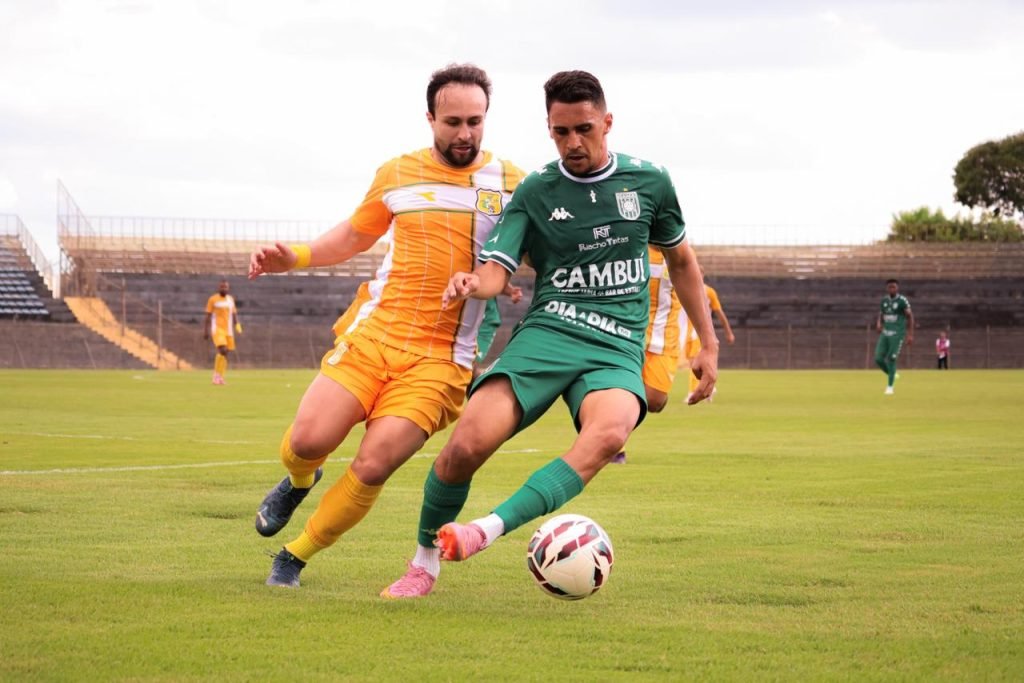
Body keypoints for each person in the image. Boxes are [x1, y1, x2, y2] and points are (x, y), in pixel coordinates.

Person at [381, 69, 718, 599]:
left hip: (615, 345)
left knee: (609, 434)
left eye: (584, 129)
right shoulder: (537, 190)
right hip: (549, 332)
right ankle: (423, 562)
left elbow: (682, 262)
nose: (573, 143)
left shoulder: (650, 182)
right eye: (561, 132)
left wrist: (709, 345)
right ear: (549, 129)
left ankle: (483, 531)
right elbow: (497, 270)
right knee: (465, 445)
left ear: (607, 122)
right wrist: (473, 282)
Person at [247, 63, 525, 588]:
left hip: (442, 358)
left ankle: (294, 556)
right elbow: (356, 234)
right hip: (376, 334)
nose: (465, 134)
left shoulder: (514, 184)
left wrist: (495, 281)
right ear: (430, 119)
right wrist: (296, 257)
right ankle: (300, 480)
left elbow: (524, 253)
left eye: (475, 121)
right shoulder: (397, 173)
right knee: (306, 440)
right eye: (453, 122)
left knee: (374, 463)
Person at [610, 245, 688, 465]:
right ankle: (612, 443)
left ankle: (606, 429)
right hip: (630, 332)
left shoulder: (680, 252)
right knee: (622, 392)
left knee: (654, 400)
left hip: (665, 337)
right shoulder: (634, 247)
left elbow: (692, 287)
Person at [683, 265, 735, 400]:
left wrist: (728, 332)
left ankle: (693, 391)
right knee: (692, 362)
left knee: (696, 360)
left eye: (699, 273)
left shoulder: (709, 292)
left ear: (702, 275)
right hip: (686, 330)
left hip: (699, 330)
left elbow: (719, 313)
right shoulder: (683, 287)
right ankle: (708, 388)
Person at [473, 288, 523, 379]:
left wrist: (510, 290)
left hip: (483, 324)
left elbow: (493, 282)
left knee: (469, 364)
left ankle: (499, 381)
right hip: (458, 322)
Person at [875, 278, 914, 394]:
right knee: (878, 359)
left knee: (891, 358)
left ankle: (890, 387)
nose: (892, 289)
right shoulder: (884, 300)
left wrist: (910, 334)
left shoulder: (902, 301)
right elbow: (881, 313)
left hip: (897, 335)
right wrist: (879, 323)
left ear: (897, 288)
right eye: (890, 287)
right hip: (885, 333)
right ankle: (892, 373)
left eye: (894, 287)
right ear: (886, 288)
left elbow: (910, 316)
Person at [203, 278, 241, 385]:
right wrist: (206, 330)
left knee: (225, 353)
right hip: (217, 329)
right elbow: (208, 316)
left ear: (228, 288)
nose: (224, 288)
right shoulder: (213, 299)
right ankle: (216, 376)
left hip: (228, 330)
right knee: (223, 350)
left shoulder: (230, 300)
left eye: (225, 287)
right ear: (218, 288)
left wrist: (237, 324)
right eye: (222, 287)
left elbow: (234, 314)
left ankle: (220, 377)